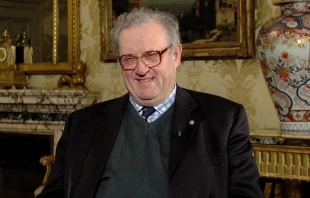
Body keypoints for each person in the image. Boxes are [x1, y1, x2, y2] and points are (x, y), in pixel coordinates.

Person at [37, 7, 264, 198]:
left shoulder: (224, 120)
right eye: (129, 59)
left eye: (151, 55)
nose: (141, 69)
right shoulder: (82, 124)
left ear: (176, 55)